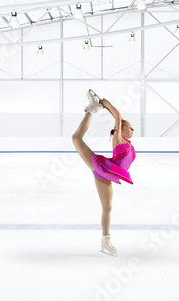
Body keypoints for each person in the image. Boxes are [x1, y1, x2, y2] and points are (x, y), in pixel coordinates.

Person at [72, 89, 136, 256]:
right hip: (101, 167)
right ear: (120, 130)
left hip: (108, 173)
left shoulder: (128, 143)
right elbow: (118, 115)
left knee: (107, 207)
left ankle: (105, 241)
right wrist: (104, 102)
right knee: (76, 139)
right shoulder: (118, 138)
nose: (133, 129)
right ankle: (91, 109)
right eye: (129, 127)